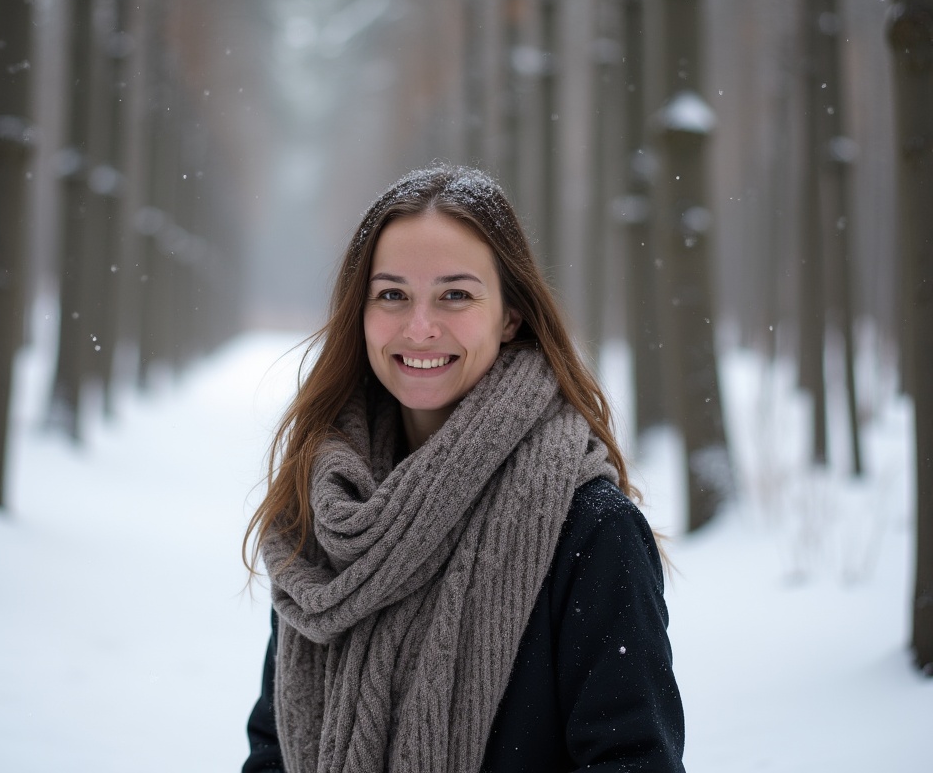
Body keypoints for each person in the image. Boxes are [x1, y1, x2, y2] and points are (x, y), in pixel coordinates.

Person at [241, 165, 684, 773]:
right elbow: (273, 748)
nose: (420, 327)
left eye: (456, 294)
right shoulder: (325, 511)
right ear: (361, 314)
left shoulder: (591, 531)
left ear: (510, 315)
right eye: (392, 294)